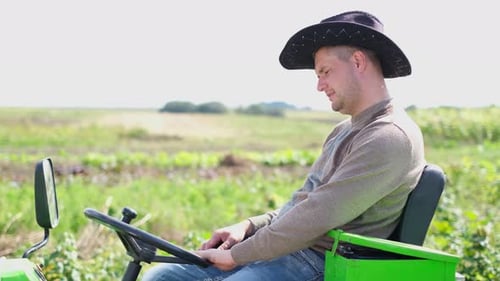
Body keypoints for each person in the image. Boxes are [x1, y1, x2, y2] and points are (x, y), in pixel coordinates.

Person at [142, 10, 425, 281]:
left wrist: (239, 255)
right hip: (291, 250)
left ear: (358, 62)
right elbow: (305, 201)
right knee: (164, 276)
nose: (320, 85)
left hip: (324, 262)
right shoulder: (345, 130)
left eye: (325, 71)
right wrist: (250, 226)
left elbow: (318, 215)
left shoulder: (390, 137)